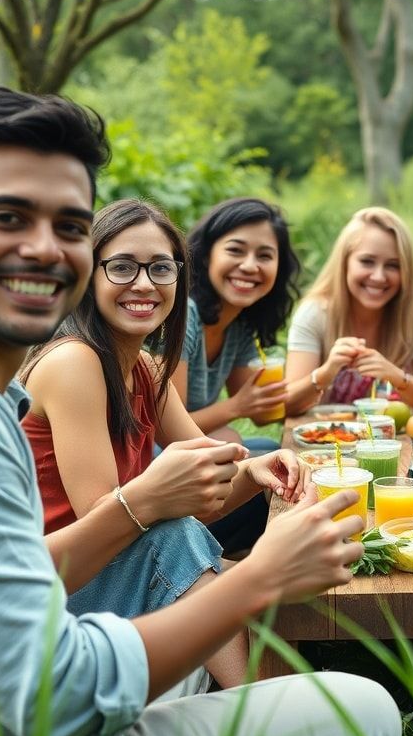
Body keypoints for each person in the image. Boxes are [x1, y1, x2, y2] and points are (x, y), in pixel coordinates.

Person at [0, 86, 401, 736]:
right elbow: (59, 696)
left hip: (1, 730)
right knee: (364, 709)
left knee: (177, 586)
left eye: (70, 226)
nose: (46, 249)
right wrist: (260, 579)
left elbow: (33, 565)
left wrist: (250, 473)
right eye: (8, 218)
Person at [19, 199, 306, 650]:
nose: (143, 284)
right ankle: (255, 702)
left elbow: (207, 495)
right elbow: (105, 519)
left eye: (160, 269)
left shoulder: (148, 370)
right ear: (87, 277)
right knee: (176, 537)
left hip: (113, 568)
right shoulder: (73, 362)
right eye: (121, 267)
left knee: (235, 511)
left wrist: (253, 471)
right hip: (53, 590)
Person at [285, 206, 413, 412]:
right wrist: (326, 373)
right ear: (344, 263)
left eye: (393, 265)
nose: (379, 276)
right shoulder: (315, 313)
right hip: (324, 440)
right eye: (367, 262)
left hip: (399, 442)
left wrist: (397, 377)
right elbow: (285, 406)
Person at [173, 197, 300, 450]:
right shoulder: (183, 316)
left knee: (270, 449)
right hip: (149, 452)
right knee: (230, 441)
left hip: (191, 445)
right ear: (208, 255)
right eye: (235, 250)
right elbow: (165, 429)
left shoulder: (238, 327)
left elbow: (262, 415)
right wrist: (236, 407)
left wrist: (325, 375)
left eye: (264, 255)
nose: (250, 266)